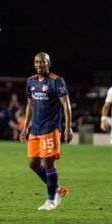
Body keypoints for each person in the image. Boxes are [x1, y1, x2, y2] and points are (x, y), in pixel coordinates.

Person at [20, 52, 71, 210]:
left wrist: (68, 127)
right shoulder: (30, 82)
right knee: (33, 164)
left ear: (49, 63)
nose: (38, 65)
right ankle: (58, 189)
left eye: (42, 62)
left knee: (48, 163)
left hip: (50, 128)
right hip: (35, 128)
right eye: (36, 62)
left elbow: (66, 105)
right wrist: (25, 127)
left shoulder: (56, 81)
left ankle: (51, 201)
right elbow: (30, 105)